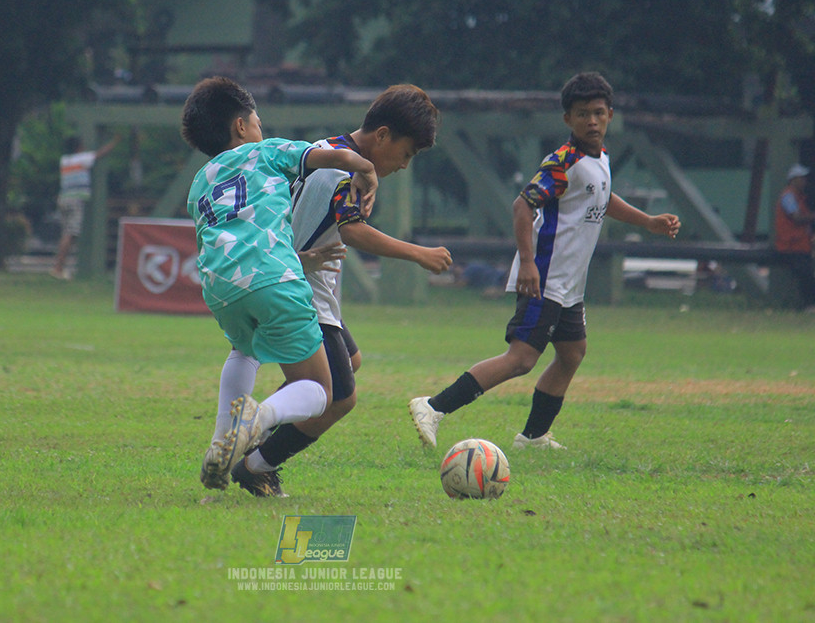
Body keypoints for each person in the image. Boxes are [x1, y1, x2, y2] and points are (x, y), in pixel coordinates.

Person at [409, 72, 681, 451]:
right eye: (583, 113)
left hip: (569, 285)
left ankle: (533, 437)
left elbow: (603, 197)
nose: (592, 121)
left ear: (610, 115)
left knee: (572, 353)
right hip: (544, 279)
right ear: (568, 119)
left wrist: (648, 221)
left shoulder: (599, 158)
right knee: (521, 359)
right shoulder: (562, 162)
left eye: (599, 113)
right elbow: (523, 205)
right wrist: (528, 263)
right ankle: (433, 407)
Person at [229, 84, 452, 497]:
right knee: (340, 399)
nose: (405, 165)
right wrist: (419, 254)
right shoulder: (342, 171)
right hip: (300, 290)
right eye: (406, 153)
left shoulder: (329, 148)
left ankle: (252, 432)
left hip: (301, 282)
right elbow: (354, 231)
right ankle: (255, 464)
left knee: (351, 359)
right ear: (382, 135)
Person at [181, 76, 379, 492]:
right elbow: (324, 155)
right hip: (276, 282)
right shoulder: (265, 152)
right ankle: (258, 418)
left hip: (220, 290)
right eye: (256, 121)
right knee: (321, 391)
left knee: (244, 350)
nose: (260, 129)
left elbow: (233, 237)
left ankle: (221, 440)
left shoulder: (199, 184)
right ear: (240, 126)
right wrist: (364, 168)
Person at [51, 133, 120, 279]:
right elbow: (100, 154)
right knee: (70, 234)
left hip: (64, 198)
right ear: (78, 147)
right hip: (76, 200)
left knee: (66, 233)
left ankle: (59, 266)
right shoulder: (82, 158)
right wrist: (114, 142)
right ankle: (58, 268)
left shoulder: (64, 160)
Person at [773, 163, 815, 311]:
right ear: (793, 179)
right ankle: (809, 305)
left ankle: (807, 305)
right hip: (791, 246)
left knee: (807, 275)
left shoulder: (798, 198)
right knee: (806, 276)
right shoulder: (789, 197)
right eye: (802, 178)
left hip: (800, 245)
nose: (805, 181)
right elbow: (796, 218)